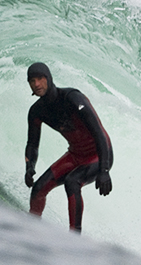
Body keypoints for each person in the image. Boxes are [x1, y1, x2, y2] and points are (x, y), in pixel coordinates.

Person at [24, 62, 113, 233]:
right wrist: (29, 167)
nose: (36, 84)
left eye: (40, 79)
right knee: (38, 189)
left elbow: (99, 133)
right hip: (76, 154)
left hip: (100, 154)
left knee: (72, 181)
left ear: (49, 79)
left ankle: (74, 238)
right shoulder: (36, 111)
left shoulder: (73, 98)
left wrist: (104, 170)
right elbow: (32, 144)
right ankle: (31, 228)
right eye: (32, 81)